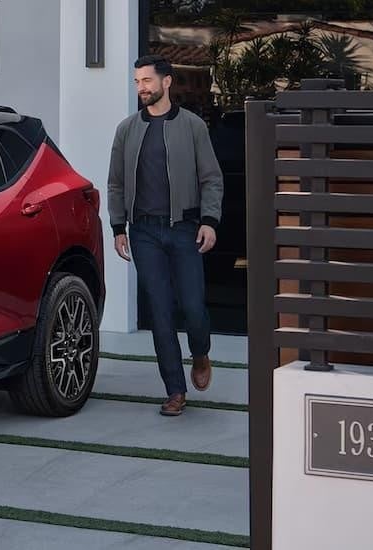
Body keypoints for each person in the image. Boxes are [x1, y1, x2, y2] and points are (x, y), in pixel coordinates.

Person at [106, 55, 224, 417]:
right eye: (137, 82)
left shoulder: (192, 127)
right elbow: (115, 182)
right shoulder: (127, 129)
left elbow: (211, 178)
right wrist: (118, 226)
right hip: (144, 232)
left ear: (166, 82)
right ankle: (175, 390)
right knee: (159, 312)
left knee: (192, 307)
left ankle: (200, 351)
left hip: (185, 228)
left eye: (146, 81)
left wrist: (209, 220)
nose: (141, 88)